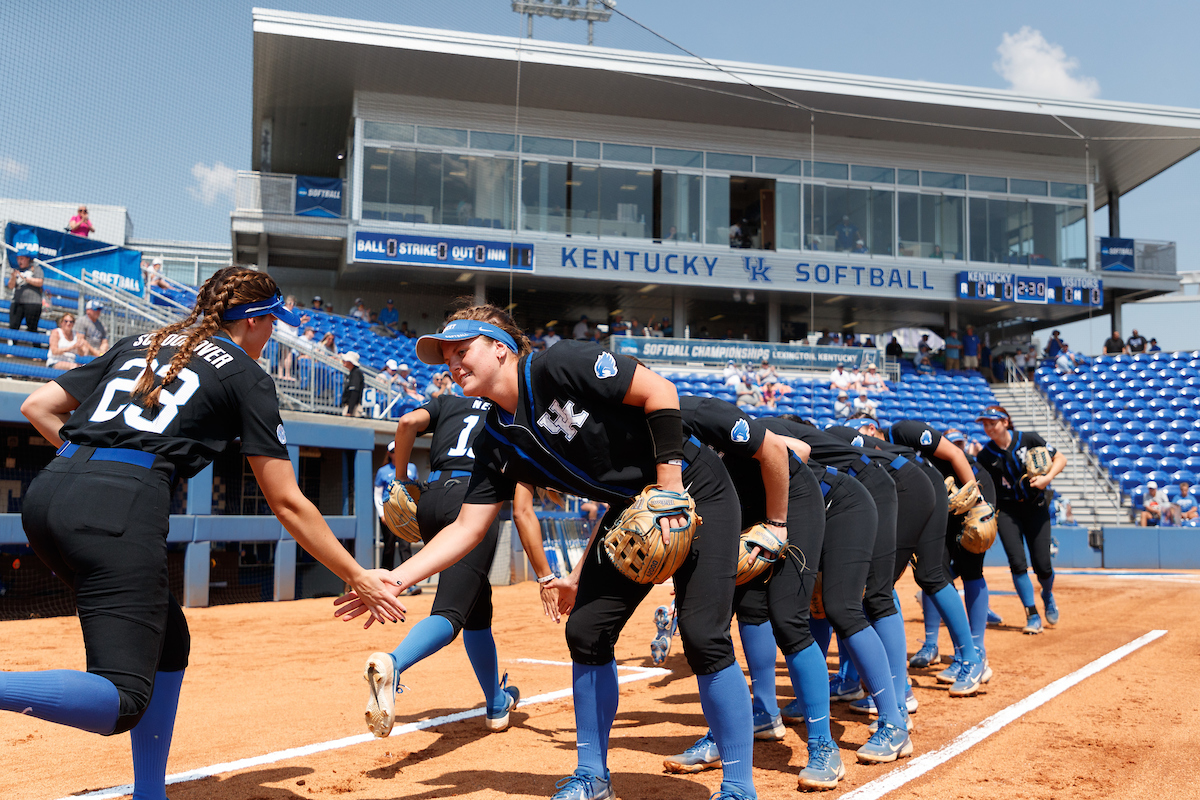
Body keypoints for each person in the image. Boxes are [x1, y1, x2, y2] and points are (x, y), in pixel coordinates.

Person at [8, 267, 404, 800]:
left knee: (170, 642)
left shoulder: (142, 342)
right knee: (125, 697)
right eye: (272, 324)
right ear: (256, 321)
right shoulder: (246, 375)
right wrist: (356, 574)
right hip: (117, 511)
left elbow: (38, 406)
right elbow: (287, 501)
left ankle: (151, 792)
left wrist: (94, 469)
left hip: (51, 490)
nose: (272, 335)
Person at [337, 306, 761, 800]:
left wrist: (668, 487)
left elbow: (660, 392)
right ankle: (592, 775)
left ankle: (738, 784)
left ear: (500, 346)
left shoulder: (557, 366)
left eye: (462, 350)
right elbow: (469, 526)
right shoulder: (493, 438)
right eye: (447, 357)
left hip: (694, 487)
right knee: (586, 630)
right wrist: (397, 577)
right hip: (631, 508)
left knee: (704, 634)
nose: (452, 363)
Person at [364, 393, 527, 739]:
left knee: (477, 605)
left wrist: (401, 479)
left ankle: (496, 702)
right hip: (473, 499)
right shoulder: (513, 406)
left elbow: (406, 423)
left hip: (433, 497)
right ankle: (395, 662)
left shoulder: (449, 401)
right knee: (452, 611)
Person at [976, 406, 1066, 634]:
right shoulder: (986, 455)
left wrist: (1048, 478)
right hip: (1007, 511)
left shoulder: (1029, 439)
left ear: (1005, 422)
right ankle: (1032, 614)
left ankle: (1047, 594)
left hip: (1036, 506)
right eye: (985, 424)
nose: (988, 428)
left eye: (992, 423)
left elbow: (1060, 458)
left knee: (1043, 565)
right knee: (1017, 563)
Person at [8, 237, 45, 335]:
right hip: (18, 302)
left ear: (28, 259)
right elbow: (11, 286)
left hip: (33, 303)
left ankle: (36, 348)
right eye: (18, 259)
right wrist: (12, 278)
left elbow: (40, 282)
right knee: (13, 326)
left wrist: (25, 278)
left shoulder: (36, 269)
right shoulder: (16, 270)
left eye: (22, 259)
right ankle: (11, 346)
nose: (19, 261)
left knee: (32, 328)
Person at [341, 351, 365, 417]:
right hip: (351, 406)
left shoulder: (356, 373)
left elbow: (354, 392)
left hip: (353, 408)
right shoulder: (352, 373)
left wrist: (350, 411)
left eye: (346, 360)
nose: (343, 361)